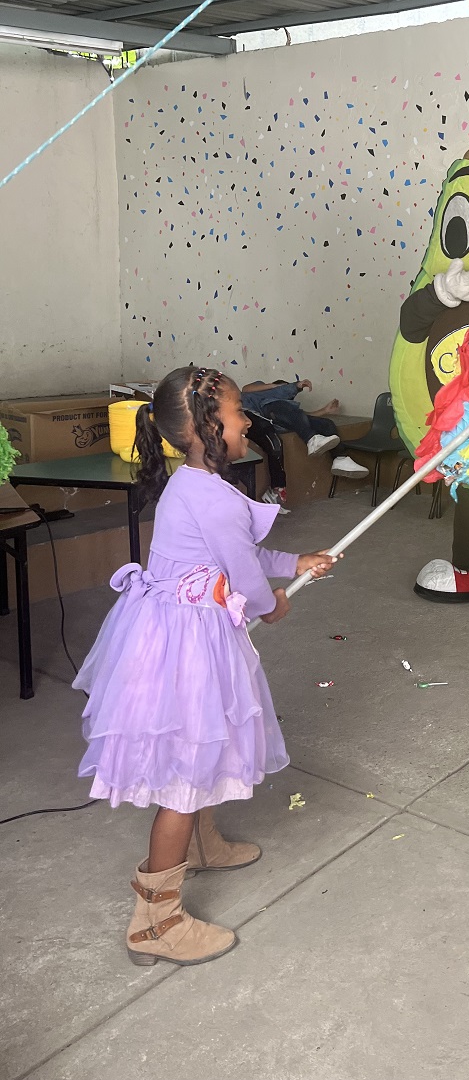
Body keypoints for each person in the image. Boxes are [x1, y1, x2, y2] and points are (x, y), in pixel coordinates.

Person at [73, 366, 335, 966]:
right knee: (186, 770)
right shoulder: (209, 496)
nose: (247, 421)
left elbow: (243, 552)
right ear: (205, 426)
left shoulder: (196, 484)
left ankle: (203, 844)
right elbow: (246, 577)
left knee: (203, 743)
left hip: (177, 632)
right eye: (240, 411)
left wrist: (300, 560)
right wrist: (274, 603)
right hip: (187, 645)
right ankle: (155, 922)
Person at [241, 377, 367, 508]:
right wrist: (285, 387)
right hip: (268, 415)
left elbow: (301, 417)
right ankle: (311, 440)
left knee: (327, 424)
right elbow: (246, 389)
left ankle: (341, 458)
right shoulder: (263, 395)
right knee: (282, 410)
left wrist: (325, 411)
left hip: (281, 418)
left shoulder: (286, 407)